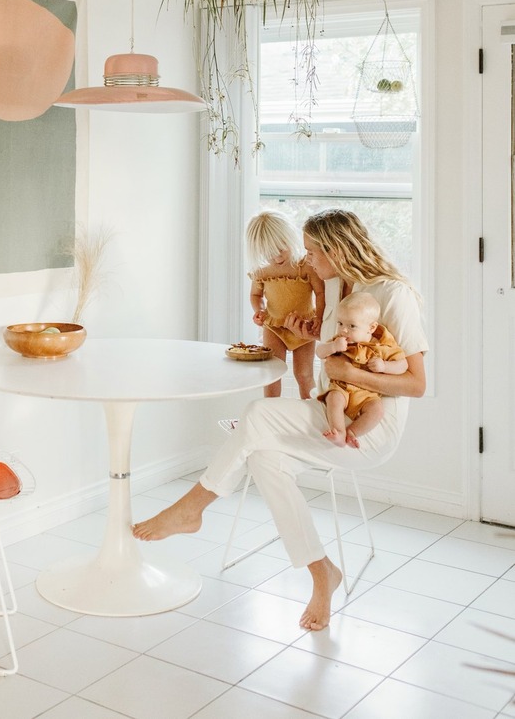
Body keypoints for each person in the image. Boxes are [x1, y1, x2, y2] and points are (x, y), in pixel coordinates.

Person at [132, 209, 428, 632]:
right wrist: (309, 331)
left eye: (312, 251)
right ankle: (321, 572)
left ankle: (191, 508)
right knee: (264, 459)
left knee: (258, 414)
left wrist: (350, 375)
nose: (306, 260)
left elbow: (416, 384)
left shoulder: (390, 294)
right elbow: (332, 354)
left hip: (369, 426)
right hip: (330, 413)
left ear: (335, 249)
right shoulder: (334, 288)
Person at [246, 210, 325, 400]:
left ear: (290, 238)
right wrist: (260, 310)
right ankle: (271, 409)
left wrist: (319, 318)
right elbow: (255, 295)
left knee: (304, 374)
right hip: (274, 327)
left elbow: (321, 292)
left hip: (303, 327)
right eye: (269, 254)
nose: (277, 258)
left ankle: (310, 411)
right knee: (272, 373)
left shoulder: (305, 265)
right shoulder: (262, 271)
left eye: (282, 249)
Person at [316, 291, 407, 448]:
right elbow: (319, 352)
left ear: (371, 328)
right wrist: (332, 347)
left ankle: (352, 432)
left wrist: (384, 366)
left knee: (377, 410)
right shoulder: (340, 341)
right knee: (333, 399)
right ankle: (339, 432)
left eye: (351, 326)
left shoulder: (381, 346)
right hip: (342, 388)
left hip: (367, 395)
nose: (344, 330)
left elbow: (403, 365)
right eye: (340, 324)